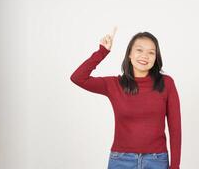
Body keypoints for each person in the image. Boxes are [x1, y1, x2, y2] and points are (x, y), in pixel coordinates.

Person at [70, 27, 182, 169]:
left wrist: (175, 166)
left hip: (156, 160)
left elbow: (175, 128)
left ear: (156, 57)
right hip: (121, 160)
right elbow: (78, 78)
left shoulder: (167, 83)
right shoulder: (114, 84)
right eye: (139, 50)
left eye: (151, 52)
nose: (145, 56)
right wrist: (102, 51)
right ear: (129, 53)